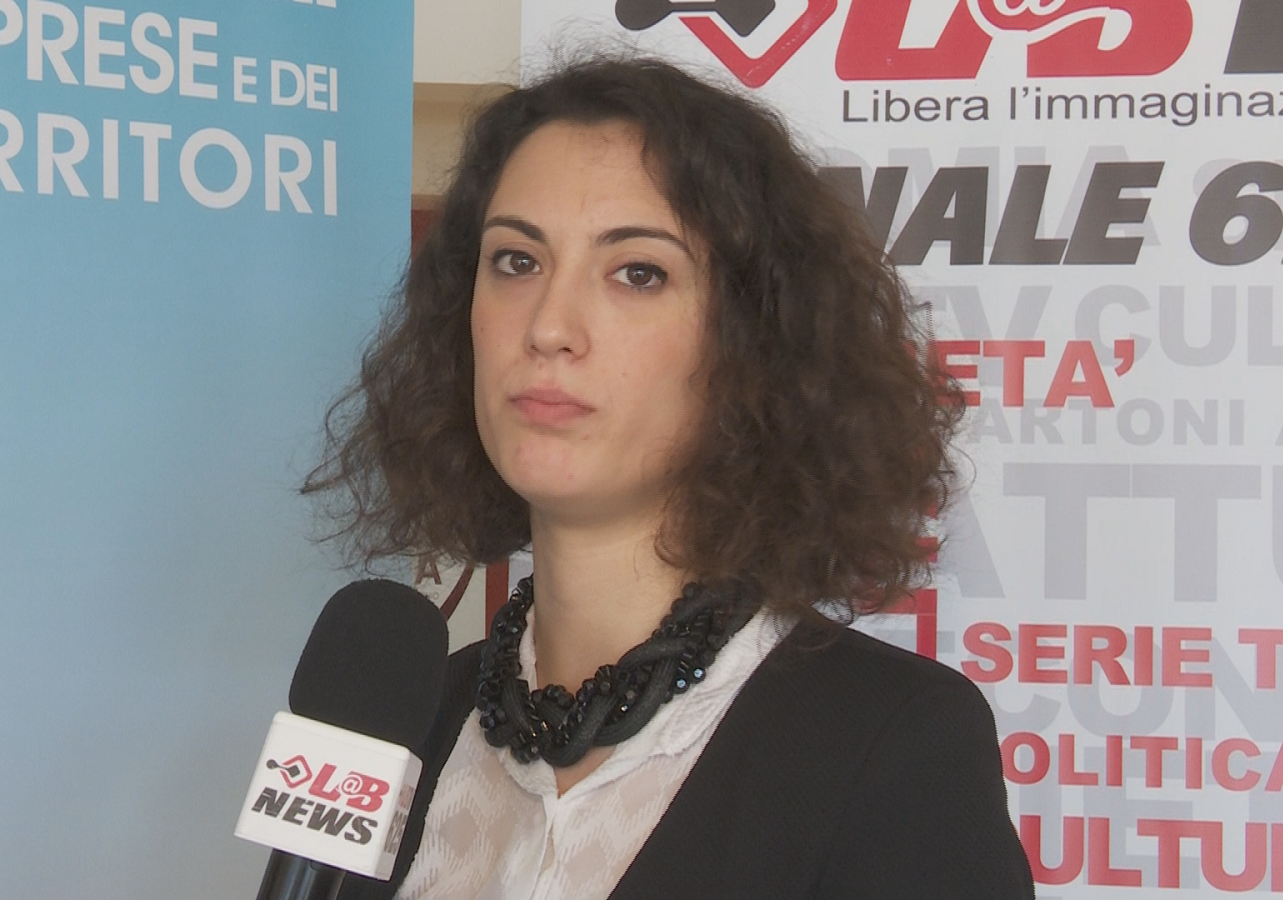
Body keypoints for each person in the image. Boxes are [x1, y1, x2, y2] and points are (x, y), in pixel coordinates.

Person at [307, 55, 1035, 900]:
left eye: (638, 273)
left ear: (752, 345)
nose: (548, 326)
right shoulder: (398, 720)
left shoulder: (893, 742)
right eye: (516, 261)